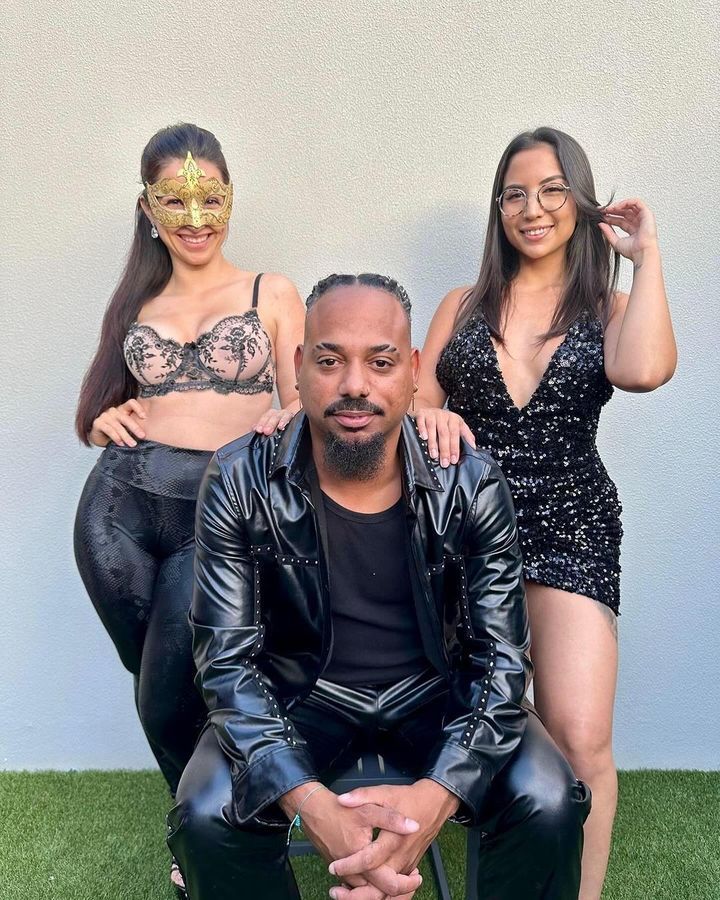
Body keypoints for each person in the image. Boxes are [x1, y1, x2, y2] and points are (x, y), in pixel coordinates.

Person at [167, 273, 591, 900]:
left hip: (436, 692)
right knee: (206, 814)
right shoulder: (238, 478)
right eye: (329, 361)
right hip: (299, 693)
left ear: (414, 372)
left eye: (381, 362)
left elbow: (501, 659)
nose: (355, 385)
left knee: (548, 799)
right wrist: (311, 804)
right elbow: (226, 663)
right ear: (297, 367)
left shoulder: (469, 481)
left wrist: (437, 795)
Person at [414, 127, 677, 899]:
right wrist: (436, 413)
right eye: (515, 194)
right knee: (469, 718)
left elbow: (644, 369)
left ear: (581, 202)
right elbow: (417, 403)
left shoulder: (608, 305)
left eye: (552, 190)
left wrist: (646, 255)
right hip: (467, 530)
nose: (532, 209)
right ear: (498, 209)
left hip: (571, 526)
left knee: (581, 738)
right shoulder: (463, 305)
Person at [73, 123, 305, 892]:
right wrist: (102, 422)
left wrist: (288, 418)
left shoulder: (270, 292)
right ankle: (212, 823)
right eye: (175, 200)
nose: (196, 218)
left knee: (174, 684)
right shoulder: (136, 300)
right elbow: (98, 412)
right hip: (119, 511)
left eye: (210, 199)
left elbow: (305, 406)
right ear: (148, 208)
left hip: (220, 507)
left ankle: (222, 827)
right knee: (155, 679)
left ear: (231, 197)